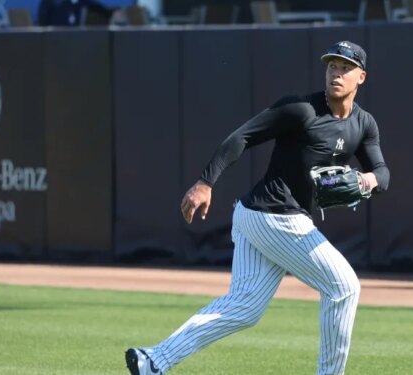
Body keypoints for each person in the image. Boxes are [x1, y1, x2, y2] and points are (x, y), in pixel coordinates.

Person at [125, 40, 390, 375]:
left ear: (361, 77)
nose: (336, 72)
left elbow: (383, 174)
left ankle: (152, 360)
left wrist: (366, 181)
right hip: (275, 217)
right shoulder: (301, 110)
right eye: (332, 65)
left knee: (243, 308)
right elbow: (242, 137)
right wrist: (206, 182)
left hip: (255, 216)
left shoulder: (364, 124)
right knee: (344, 287)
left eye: (346, 67)